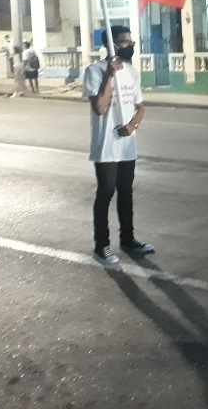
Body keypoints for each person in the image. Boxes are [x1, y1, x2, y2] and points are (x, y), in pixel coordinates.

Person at [82, 26, 153, 267]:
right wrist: (109, 76)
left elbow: (140, 107)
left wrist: (132, 125)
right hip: (106, 146)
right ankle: (101, 246)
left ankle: (128, 239)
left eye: (130, 41)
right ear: (110, 45)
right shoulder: (94, 71)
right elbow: (99, 108)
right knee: (106, 192)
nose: (129, 46)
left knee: (126, 191)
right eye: (123, 42)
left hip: (126, 145)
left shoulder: (132, 72)